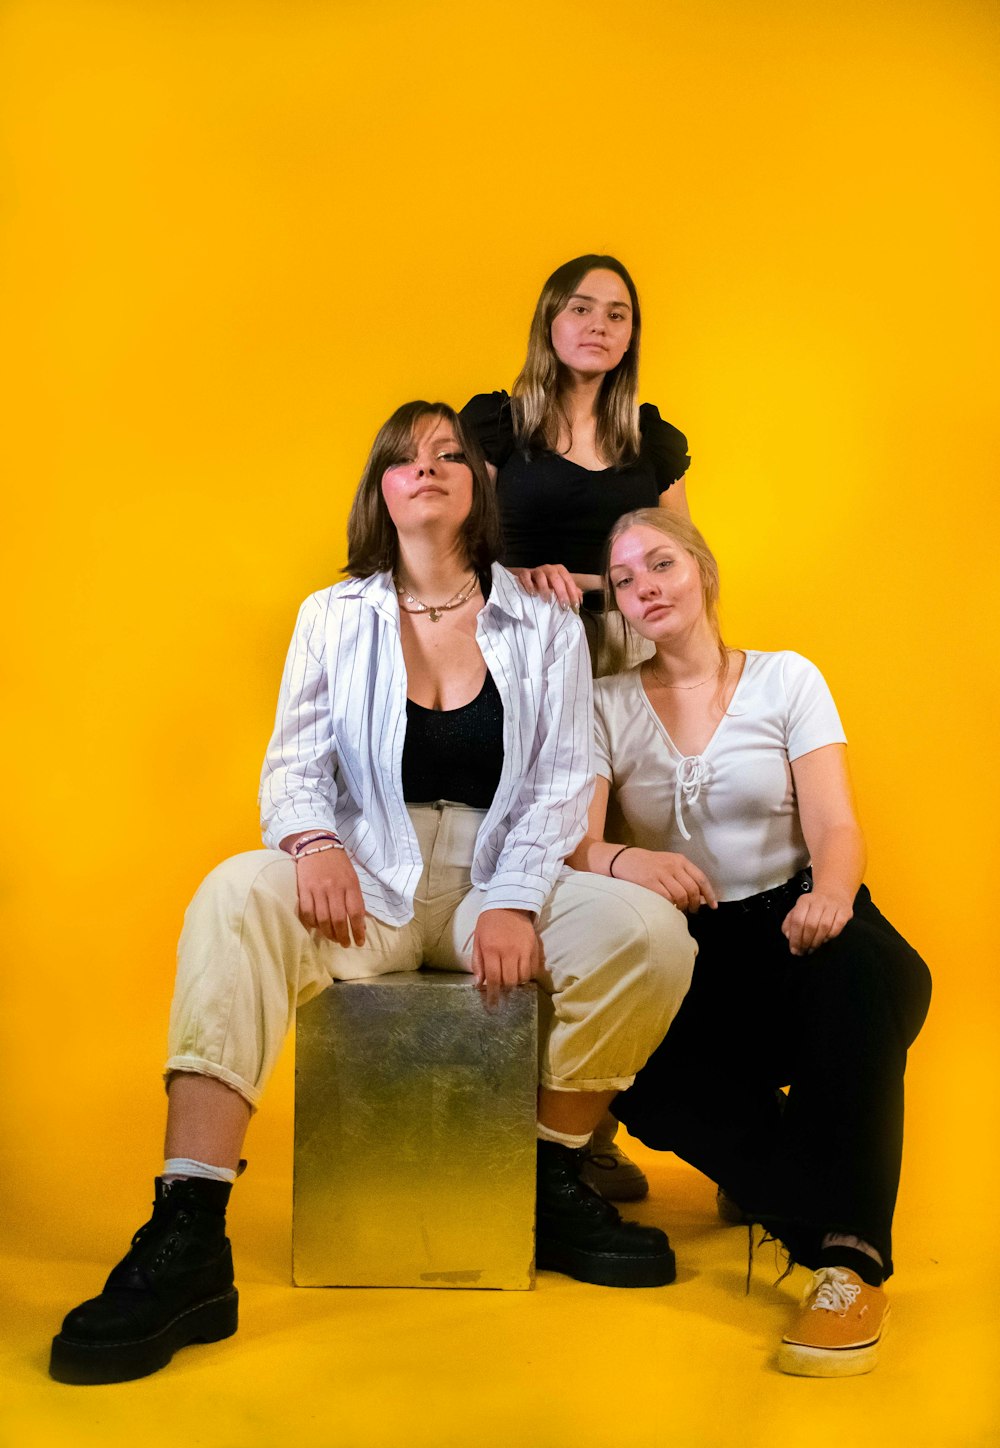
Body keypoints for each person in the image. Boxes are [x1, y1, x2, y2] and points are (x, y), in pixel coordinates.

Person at [49, 405, 697, 1386]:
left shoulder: (541, 620)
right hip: (368, 876)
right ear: (380, 490)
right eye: (404, 457)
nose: (427, 467)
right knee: (234, 891)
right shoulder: (332, 614)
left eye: (448, 454)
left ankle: (552, 1171)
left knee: (651, 934)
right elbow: (295, 762)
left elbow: (566, 776)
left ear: (478, 486)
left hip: (498, 869)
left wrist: (517, 897)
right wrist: (309, 842)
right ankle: (189, 1228)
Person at [567, 506, 931, 1378]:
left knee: (861, 976)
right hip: (696, 953)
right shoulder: (607, 702)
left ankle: (848, 1263)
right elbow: (574, 843)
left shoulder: (785, 679)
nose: (644, 587)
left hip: (807, 929)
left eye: (660, 563)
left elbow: (837, 824)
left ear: (702, 570)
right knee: (639, 1077)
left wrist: (832, 897)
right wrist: (626, 857)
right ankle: (805, 1175)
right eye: (624, 580)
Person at [462, 253, 691, 1198]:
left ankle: (579, 1122)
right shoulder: (493, 424)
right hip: (510, 659)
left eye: (619, 313)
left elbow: (682, 561)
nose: (600, 325)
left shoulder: (654, 441)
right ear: (548, 318)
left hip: (617, 657)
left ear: (633, 335)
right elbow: (451, 547)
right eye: (581, 307)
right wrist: (524, 580)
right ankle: (492, 1105)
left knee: (602, 868)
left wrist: (595, 587)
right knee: (521, 857)